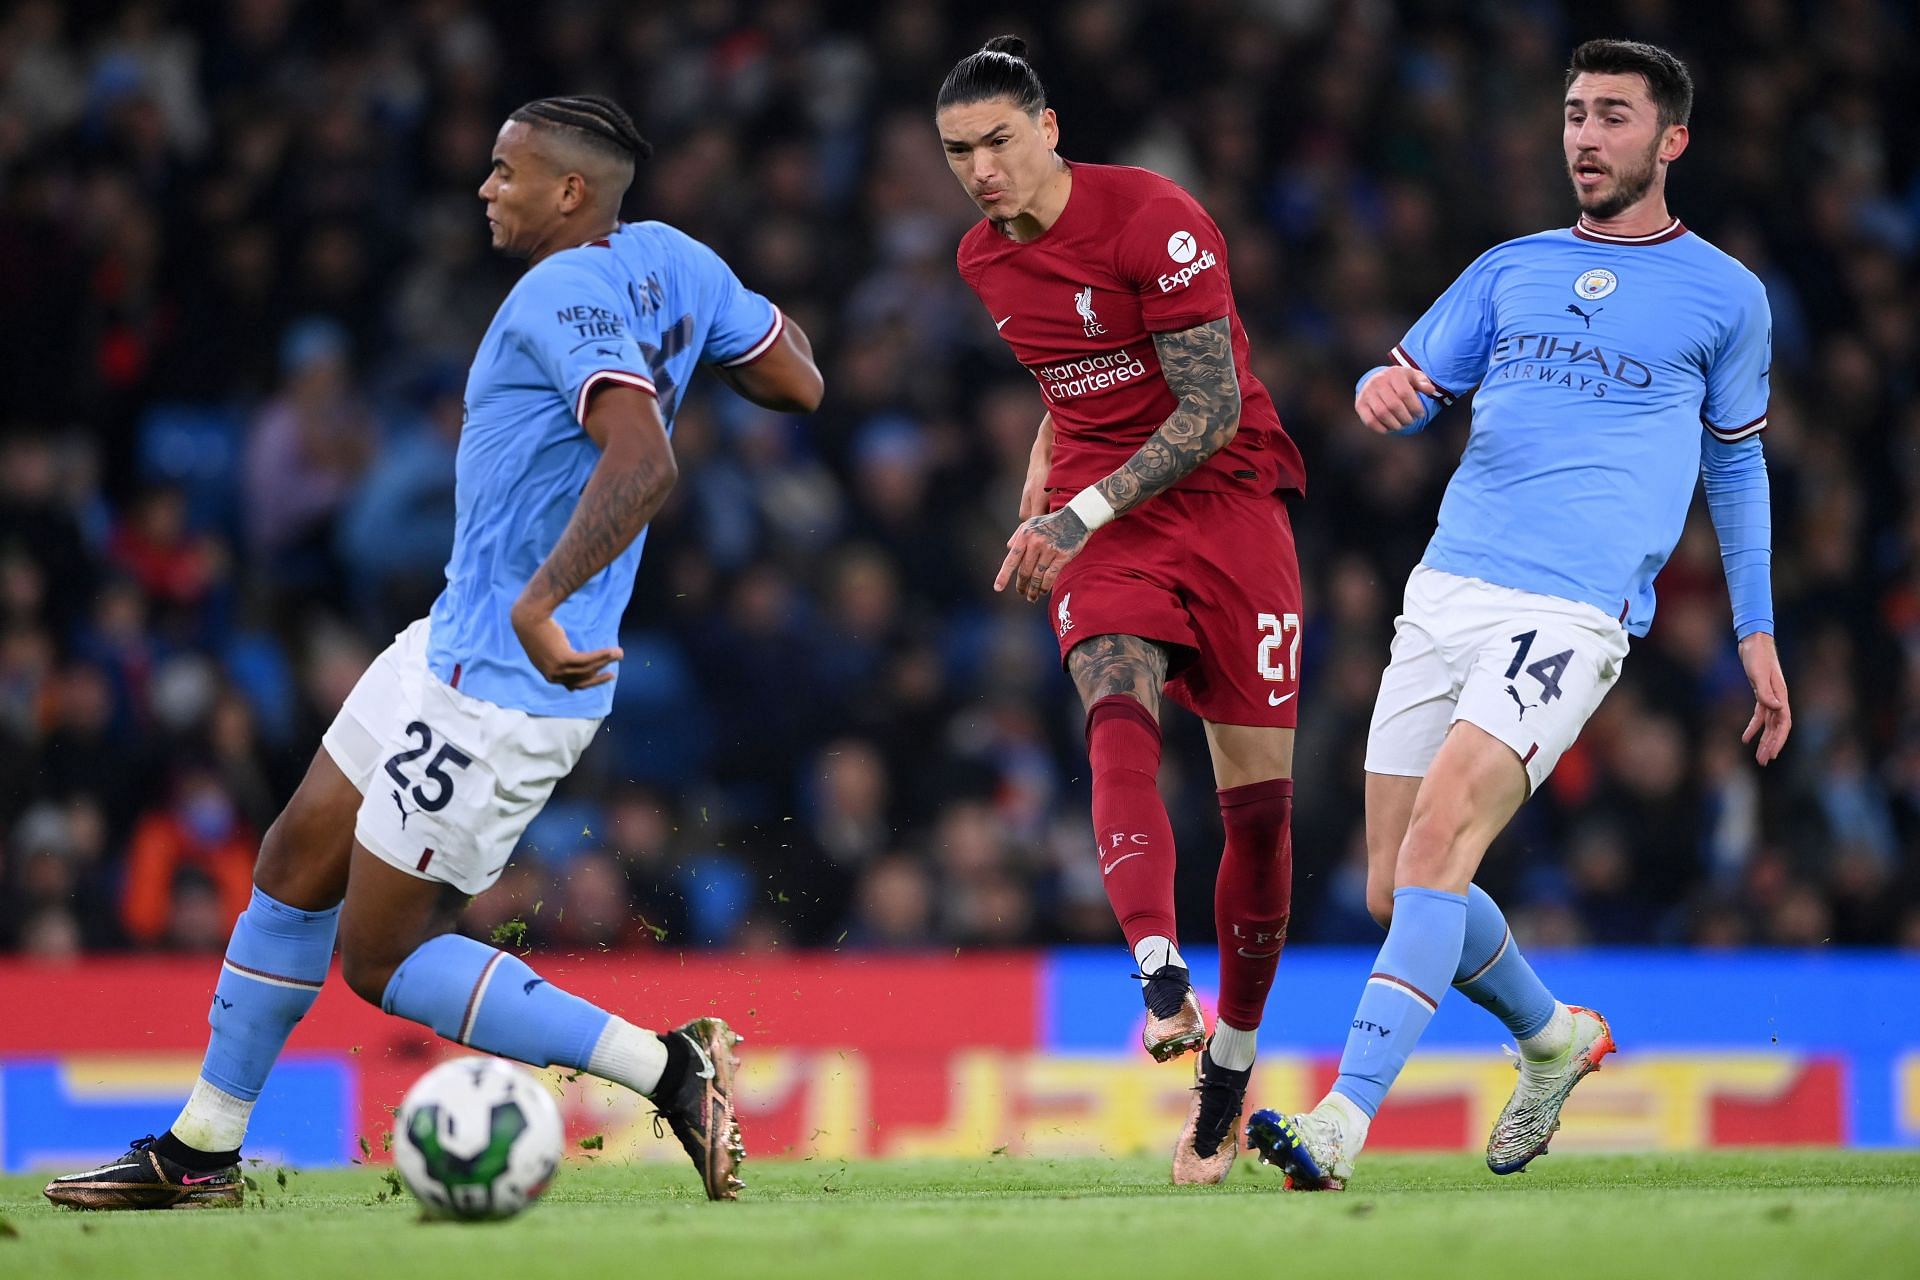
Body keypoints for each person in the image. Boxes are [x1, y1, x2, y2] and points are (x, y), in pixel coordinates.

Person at [45, 94, 823, 1209]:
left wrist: (541, 600)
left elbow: (645, 461)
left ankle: (668, 1065)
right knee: (293, 858)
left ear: (568, 192)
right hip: (446, 641)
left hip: (505, 680)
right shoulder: (674, 259)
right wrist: (706, 320)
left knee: (382, 959)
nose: (484, 187)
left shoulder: (561, 290)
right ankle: (202, 1146)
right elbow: (798, 377)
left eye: (507, 172)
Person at [1246, 40, 1791, 1190]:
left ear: (1670, 140)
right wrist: (1377, 395)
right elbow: (1401, 383)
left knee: (1445, 840)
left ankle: (1343, 1118)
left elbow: (1737, 468)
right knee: (1396, 887)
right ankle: (1555, 1041)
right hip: (1448, 586)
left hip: (1574, 608)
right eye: (1574, 114)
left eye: (1613, 117)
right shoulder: (1510, 267)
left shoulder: (1728, 297)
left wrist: (1756, 630)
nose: (1585, 137)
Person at [937, 37, 1308, 1185]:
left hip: (1232, 505)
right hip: (1111, 528)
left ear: (1049, 129)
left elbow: (1202, 409)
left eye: (1000, 140)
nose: (982, 169)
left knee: (1257, 814)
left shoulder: (1156, 216)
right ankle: (1156, 962)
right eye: (959, 151)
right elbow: (1071, 378)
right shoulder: (980, 262)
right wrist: (1055, 472)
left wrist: (1070, 505)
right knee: (1111, 688)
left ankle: (1232, 1072)